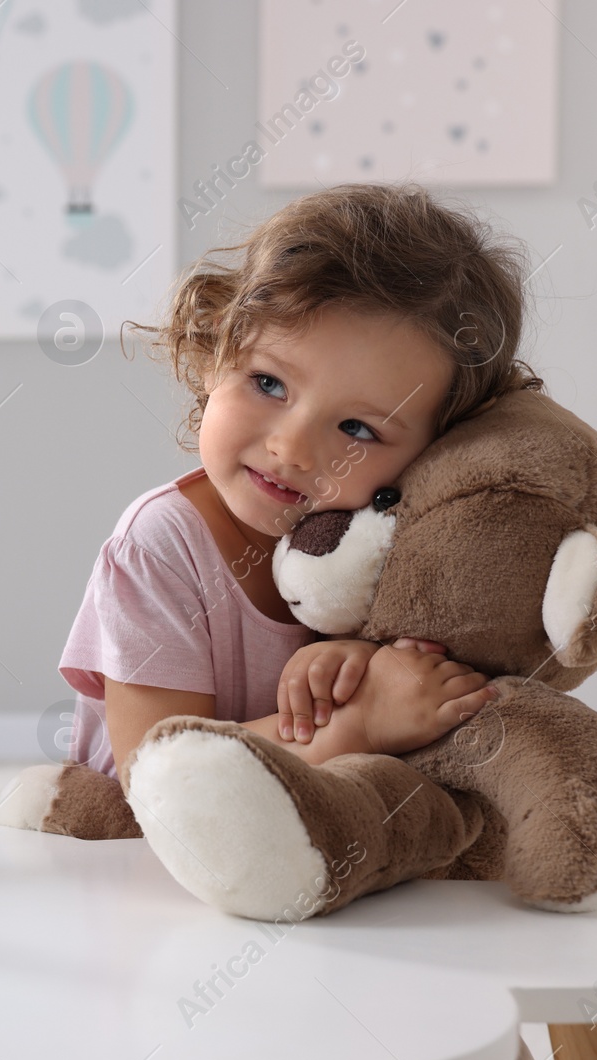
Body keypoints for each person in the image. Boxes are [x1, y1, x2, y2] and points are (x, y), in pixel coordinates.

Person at [59, 181, 548, 783]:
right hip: (129, 854)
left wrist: (362, 663)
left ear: (436, 451)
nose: (290, 449)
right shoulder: (160, 545)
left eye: (356, 428)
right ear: (216, 350)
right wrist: (356, 723)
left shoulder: (402, 547)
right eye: (268, 384)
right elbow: (154, 771)